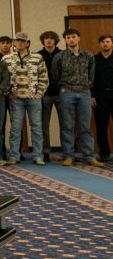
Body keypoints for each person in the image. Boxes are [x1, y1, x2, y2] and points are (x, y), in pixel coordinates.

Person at [52, 27, 98, 166]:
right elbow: (55, 76)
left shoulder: (88, 56)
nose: (71, 39)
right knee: (68, 126)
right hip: (67, 92)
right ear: (65, 40)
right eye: (68, 37)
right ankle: (68, 156)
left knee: (85, 126)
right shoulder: (59, 56)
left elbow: (92, 75)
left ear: (78, 38)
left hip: (84, 92)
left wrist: (87, 88)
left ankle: (89, 156)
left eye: (73, 37)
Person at [3, 31, 47, 167]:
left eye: (23, 41)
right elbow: (3, 79)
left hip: (33, 98)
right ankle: (14, 155)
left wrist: (39, 93)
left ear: (28, 43)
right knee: (15, 128)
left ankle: (38, 156)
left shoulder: (37, 57)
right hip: (16, 99)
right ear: (14, 43)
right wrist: (8, 92)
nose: (20, 43)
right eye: (17, 41)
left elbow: (44, 77)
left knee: (36, 127)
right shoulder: (6, 59)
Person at [38, 31, 63, 162]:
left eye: (51, 39)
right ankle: (45, 151)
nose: (48, 41)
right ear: (43, 41)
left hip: (61, 94)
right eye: (46, 39)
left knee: (65, 124)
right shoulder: (38, 55)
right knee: (44, 124)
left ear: (55, 40)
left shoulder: (63, 54)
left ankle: (67, 151)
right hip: (44, 94)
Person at [92, 33, 113, 162]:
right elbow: (91, 79)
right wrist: (92, 96)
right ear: (99, 44)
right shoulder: (93, 59)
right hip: (99, 97)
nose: (105, 44)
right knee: (101, 125)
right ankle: (104, 153)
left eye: (108, 41)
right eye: (103, 42)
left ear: (112, 43)